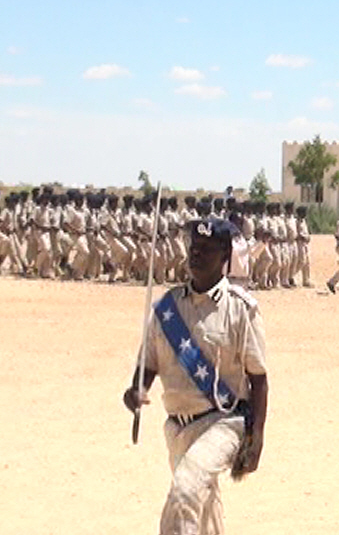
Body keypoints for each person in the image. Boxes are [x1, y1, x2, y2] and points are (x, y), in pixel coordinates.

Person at [123, 218, 268, 535]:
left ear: (225, 255)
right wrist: (136, 389)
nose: (196, 255)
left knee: (185, 491)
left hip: (223, 423)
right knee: (203, 507)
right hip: (177, 427)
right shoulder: (167, 308)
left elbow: (258, 378)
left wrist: (256, 437)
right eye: (193, 248)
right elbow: (149, 362)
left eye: (206, 249)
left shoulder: (240, 309)